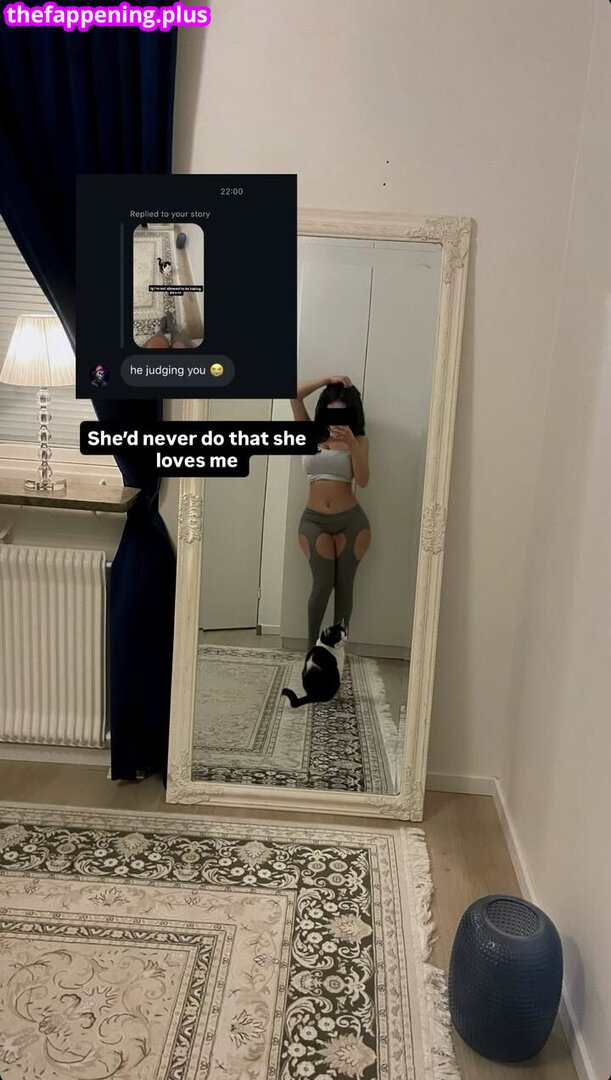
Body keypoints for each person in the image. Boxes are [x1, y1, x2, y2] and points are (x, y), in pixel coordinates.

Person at [290, 375, 371, 647]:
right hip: (313, 521)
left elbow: (363, 480)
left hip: (352, 521)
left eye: (342, 415)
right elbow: (294, 394)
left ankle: (337, 651)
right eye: (330, 412)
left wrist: (352, 444)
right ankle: (311, 651)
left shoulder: (360, 440)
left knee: (345, 587)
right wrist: (328, 379)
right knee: (322, 585)